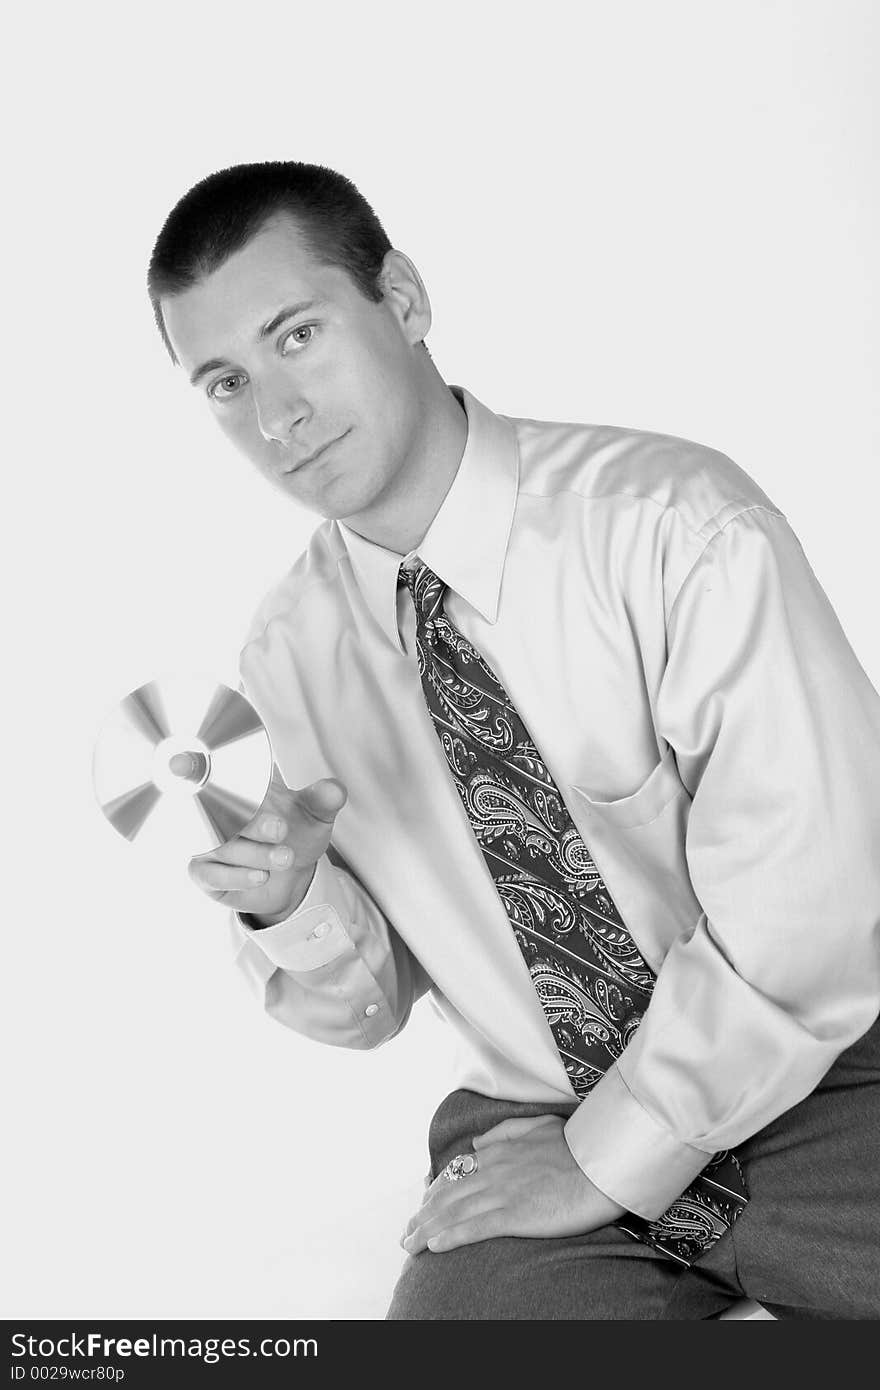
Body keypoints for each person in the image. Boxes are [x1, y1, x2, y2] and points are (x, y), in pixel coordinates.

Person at [147, 160, 880, 1320]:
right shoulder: (286, 655)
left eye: (298, 335)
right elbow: (374, 1001)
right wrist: (290, 908)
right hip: (531, 1113)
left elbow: (814, 907)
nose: (274, 416)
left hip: (818, 1078)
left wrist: (606, 1158)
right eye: (225, 381)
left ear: (403, 298)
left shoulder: (678, 529)